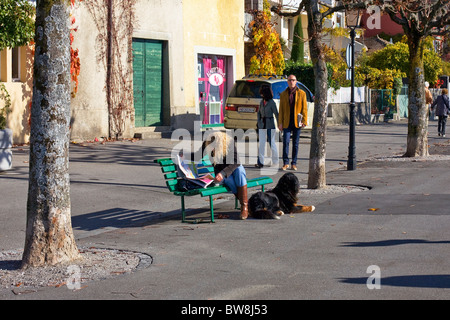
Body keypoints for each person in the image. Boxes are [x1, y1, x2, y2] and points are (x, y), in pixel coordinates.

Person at [184, 131, 249, 219]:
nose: (213, 149)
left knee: (240, 170)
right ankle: (245, 206)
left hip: (231, 170)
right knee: (231, 181)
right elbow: (198, 155)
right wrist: (184, 155)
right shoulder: (208, 142)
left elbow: (236, 162)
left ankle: (244, 207)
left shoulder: (229, 142)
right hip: (221, 174)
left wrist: (223, 173)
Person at [278, 74, 307, 171]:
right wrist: (280, 123)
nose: (291, 82)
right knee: (285, 142)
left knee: (296, 143)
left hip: (297, 122)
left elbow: (304, 109)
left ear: (296, 81)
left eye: (293, 80)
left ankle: (293, 163)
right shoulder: (283, 94)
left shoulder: (302, 93)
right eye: (290, 80)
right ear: (287, 82)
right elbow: (281, 109)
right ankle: (285, 163)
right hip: (286, 122)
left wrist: (304, 121)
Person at [256, 85, 279, 168]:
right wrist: (258, 122)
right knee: (261, 144)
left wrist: (280, 124)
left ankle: (275, 162)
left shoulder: (272, 102)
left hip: (270, 124)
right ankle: (260, 162)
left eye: (262, 93)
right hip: (262, 124)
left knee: (272, 143)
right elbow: (258, 113)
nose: (261, 95)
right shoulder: (261, 102)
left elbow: (276, 114)